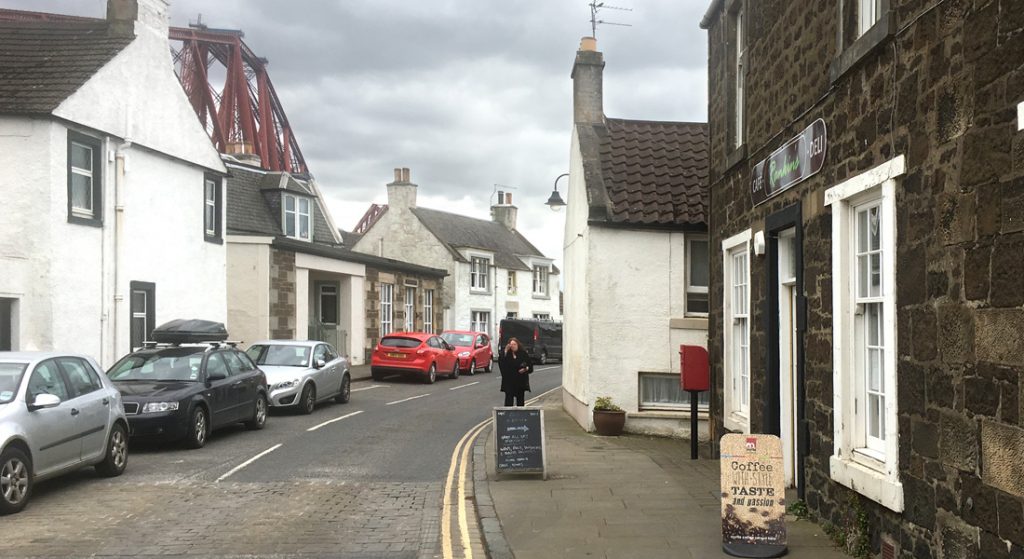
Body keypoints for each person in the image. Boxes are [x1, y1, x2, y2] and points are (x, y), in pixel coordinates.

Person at [498, 337, 533, 406]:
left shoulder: (523, 353)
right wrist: (505, 351)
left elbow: (530, 367)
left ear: (518, 345)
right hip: (509, 382)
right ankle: (507, 416)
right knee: (508, 401)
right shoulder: (507, 354)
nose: (513, 346)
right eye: (511, 345)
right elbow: (501, 363)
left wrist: (526, 369)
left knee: (520, 401)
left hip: (520, 382)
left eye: (514, 344)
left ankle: (520, 415)